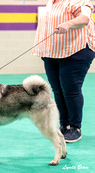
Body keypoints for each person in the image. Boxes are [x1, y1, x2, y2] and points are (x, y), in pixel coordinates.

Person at [32, 0, 95, 143]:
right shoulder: (51, 3)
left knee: (71, 90)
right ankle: (64, 125)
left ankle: (75, 128)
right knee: (58, 91)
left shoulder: (77, 1)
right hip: (53, 52)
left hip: (76, 51)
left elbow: (84, 18)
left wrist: (68, 24)